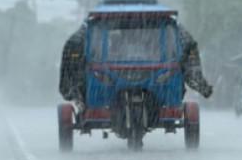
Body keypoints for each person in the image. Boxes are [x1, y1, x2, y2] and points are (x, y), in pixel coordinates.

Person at [58, 23, 213, 105]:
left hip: (121, 76)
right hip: (133, 74)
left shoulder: (172, 42)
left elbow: (189, 63)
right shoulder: (85, 45)